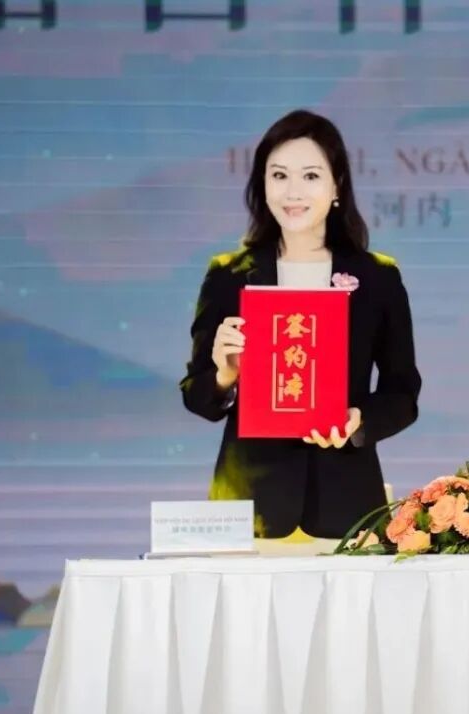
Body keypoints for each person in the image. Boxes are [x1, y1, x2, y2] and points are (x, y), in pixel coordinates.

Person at [180, 109, 422, 539]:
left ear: (337, 185)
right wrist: (224, 375)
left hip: (347, 502)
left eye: (310, 176)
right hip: (249, 505)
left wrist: (357, 420)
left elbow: (403, 394)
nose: (293, 192)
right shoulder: (229, 274)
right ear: (262, 184)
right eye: (279, 176)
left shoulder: (377, 277)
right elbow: (197, 396)